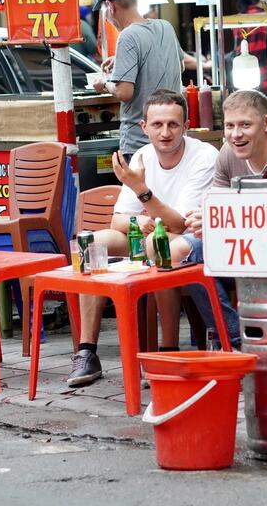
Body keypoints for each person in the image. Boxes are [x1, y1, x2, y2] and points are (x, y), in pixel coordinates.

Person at [67, 89, 218, 387]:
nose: (165, 132)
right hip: (153, 233)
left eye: (173, 125)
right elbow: (118, 219)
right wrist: (143, 219)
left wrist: (143, 193)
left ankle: (168, 351)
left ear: (186, 127)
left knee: (156, 245)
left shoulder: (204, 156)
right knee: (94, 243)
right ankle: (87, 352)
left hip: (194, 243)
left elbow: (180, 223)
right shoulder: (142, 156)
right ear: (144, 127)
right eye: (158, 125)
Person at [182, 90, 267, 343]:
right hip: (245, 251)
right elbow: (220, 205)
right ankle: (232, 338)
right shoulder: (227, 152)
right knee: (184, 253)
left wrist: (220, 224)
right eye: (229, 126)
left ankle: (235, 341)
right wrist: (209, 221)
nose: (236, 134)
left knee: (194, 251)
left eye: (246, 125)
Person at [91, 0, 185, 161]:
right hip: (173, 139)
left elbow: (124, 92)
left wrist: (104, 82)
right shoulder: (165, 27)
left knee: (141, 191)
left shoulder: (127, 36)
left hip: (140, 143)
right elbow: (179, 65)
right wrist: (122, 60)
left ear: (110, 6)